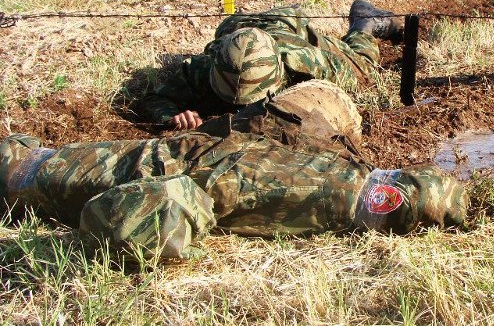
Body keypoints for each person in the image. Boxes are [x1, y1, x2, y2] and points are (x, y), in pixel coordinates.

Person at [0, 82, 467, 260]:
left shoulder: (327, 183)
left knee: (31, 172)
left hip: (186, 158)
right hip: (209, 153)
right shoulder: (338, 186)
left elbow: (149, 216)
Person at [139, 0, 403, 130]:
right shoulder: (203, 69)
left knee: (362, 66)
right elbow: (154, 99)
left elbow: (361, 78)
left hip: (287, 25)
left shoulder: (305, 63)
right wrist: (171, 117)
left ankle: (365, 21)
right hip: (235, 26)